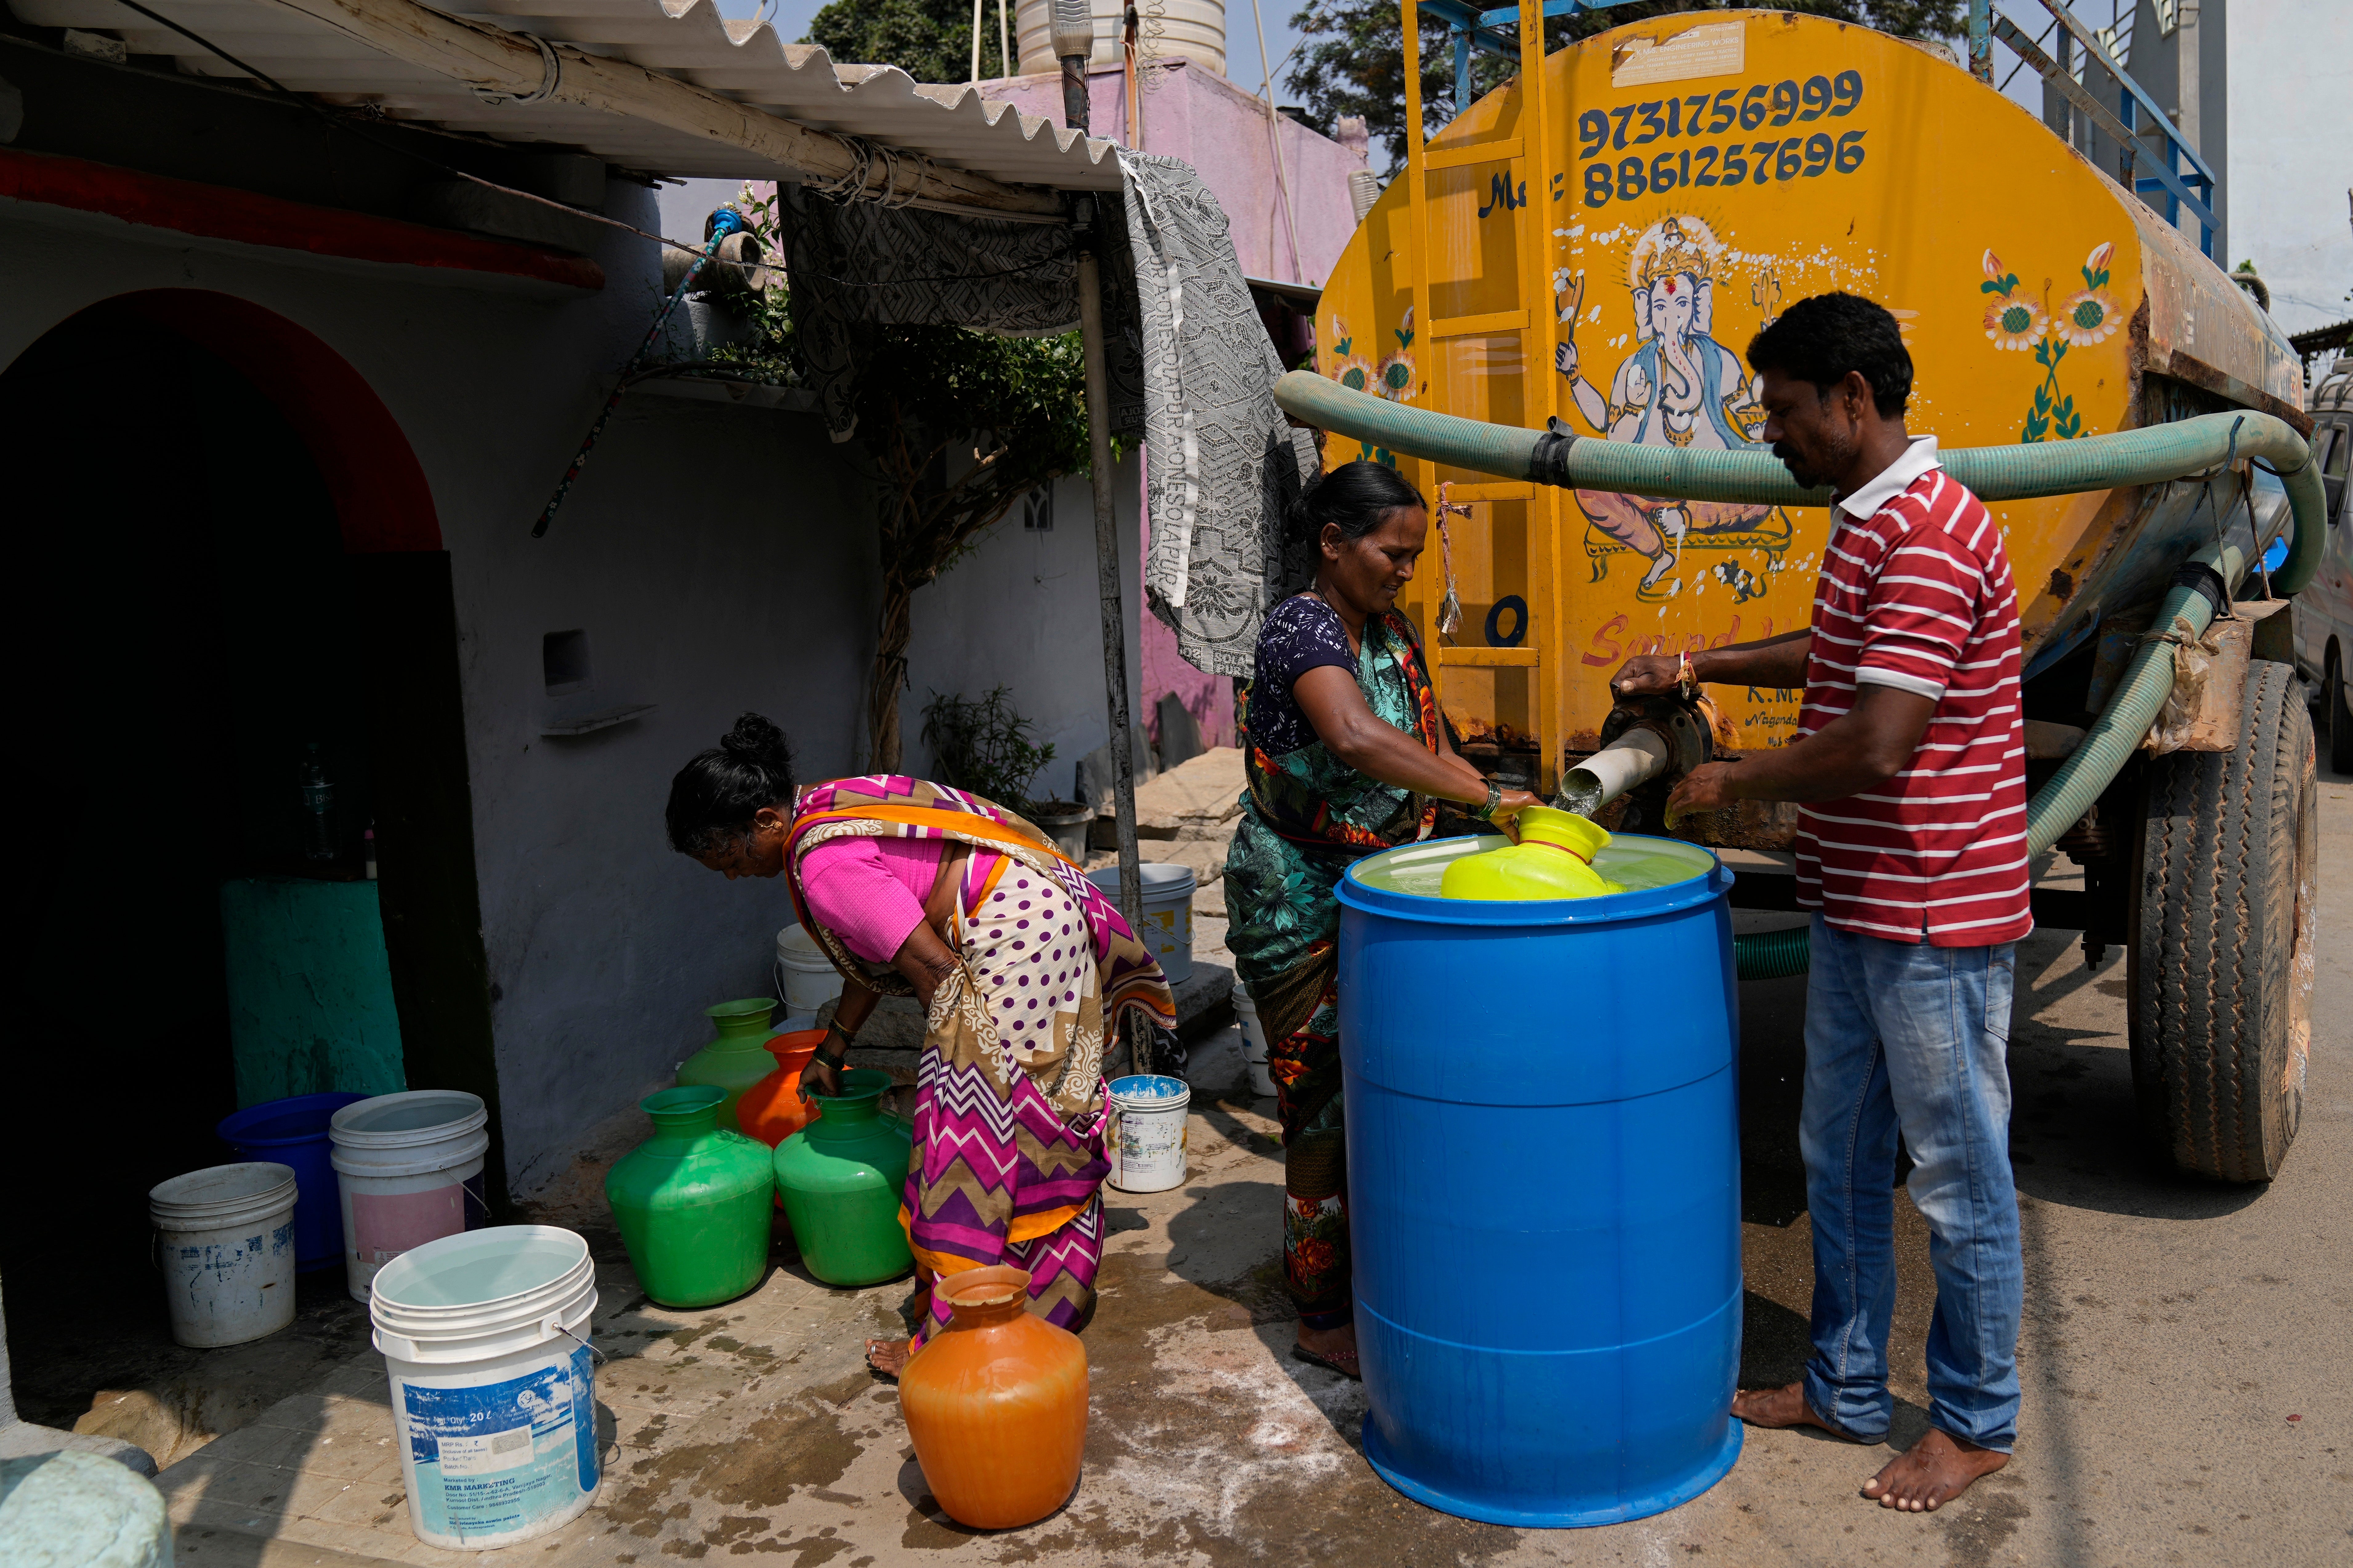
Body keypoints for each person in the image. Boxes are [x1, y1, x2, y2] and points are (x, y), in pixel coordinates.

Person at [1614, 293, 2029, 1513]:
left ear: (1852, 398)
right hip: (1857, 899)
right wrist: (1699, 662)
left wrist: (1730, 775)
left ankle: (1974, 1420)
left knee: (1955, 1173)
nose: (1771, 434)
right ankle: (1844, 1384)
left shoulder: (1930, 531)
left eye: (1786, 411)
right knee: (1835, 1151)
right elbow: (1840, 651)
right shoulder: (1868, 522)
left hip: (1928, 910)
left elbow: (1882, 735)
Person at [667, 717, 1174, 1375]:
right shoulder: (824, 804)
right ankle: (1048, 1298)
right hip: (1047, 924)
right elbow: (881, 950)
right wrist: (834, 1046)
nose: (734, 877)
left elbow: (933, 970)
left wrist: (963, 1091)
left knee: (976, 1152)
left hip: (1015, 945)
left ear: (765, 820)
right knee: (1050, 1115)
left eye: (730, 860)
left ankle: (967, 1337)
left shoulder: (822, 866)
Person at [1223, 461, 1543, 1379]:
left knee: (1386, 1091)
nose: (1407, 570)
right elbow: (1357, 736)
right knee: (1318, 1103)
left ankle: (1383, 1267)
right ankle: (1320, 1311)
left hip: (1383, 890)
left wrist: (1502, 812)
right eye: (1391, 553)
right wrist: (1490, 797)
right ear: (1333, 543)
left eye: (1413, 554)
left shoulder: (1393, 631)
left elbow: (1427, 743)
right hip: (1297, 901)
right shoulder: (1301, 627)